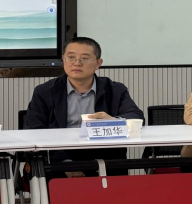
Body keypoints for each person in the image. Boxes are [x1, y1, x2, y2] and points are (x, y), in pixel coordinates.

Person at [25, 37, 144, 177]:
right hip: (58, 158)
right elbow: (35, 131)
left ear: (98, 63)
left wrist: (113, 121)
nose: (77, 63)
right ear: (63, 59)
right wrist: (65, 163)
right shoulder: (44, 91)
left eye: (85, 58)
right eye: (71, 57)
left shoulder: (115, 90)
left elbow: (136, 117)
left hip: (104, 157)